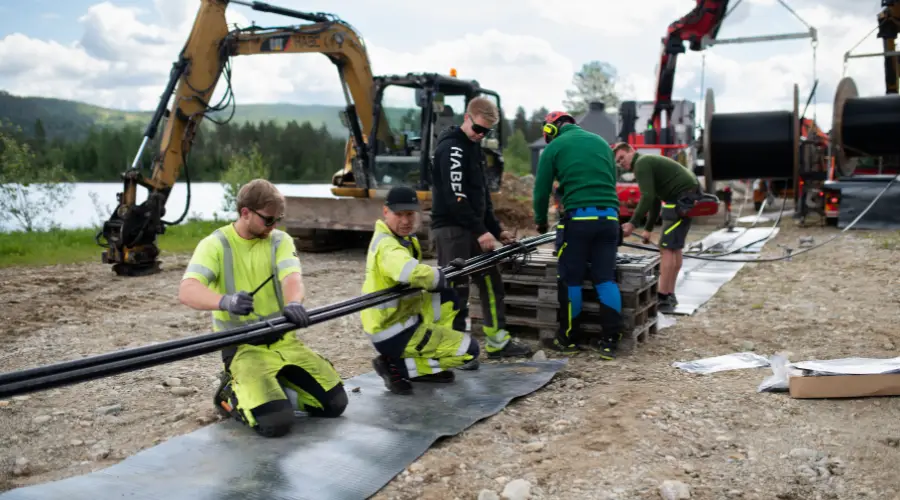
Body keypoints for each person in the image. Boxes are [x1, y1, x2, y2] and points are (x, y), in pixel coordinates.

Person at [178, 179, 347, 438]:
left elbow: (292, 278)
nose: (274, 226)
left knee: (335, 405)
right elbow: (187, 290)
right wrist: (226, 301)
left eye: (278, 219)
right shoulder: (215, 245)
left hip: (284, 343)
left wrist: (293, 303)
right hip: (243, 348)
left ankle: (273, 390)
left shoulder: (280, 240)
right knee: (276, 424)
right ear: (245, 213)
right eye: (268, 220)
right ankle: (231, 394)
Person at [429, 96, 532, 359]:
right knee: (455, 291)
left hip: (474, 229)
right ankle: (452, 349)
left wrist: (497, 230)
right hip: (452, 229)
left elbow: (482, 197)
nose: (480, 135)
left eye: (486, 132)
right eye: (477, 129)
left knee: (491, 283)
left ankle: (498, 342)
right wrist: (481, 231)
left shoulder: (474, 149)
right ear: (467, 117)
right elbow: (456, 198)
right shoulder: (452, 148)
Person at [361, 185, 482, 395]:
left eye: (410, 214)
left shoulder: (405, 239)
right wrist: (438, 275)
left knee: (447, 296)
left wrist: (447, 272)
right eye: (399, 215)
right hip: (391, 329)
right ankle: (396, 367)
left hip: (404, 319)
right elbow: (409, 272)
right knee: (469, 352)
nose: (406, 221)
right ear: (385, 212)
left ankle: (421, 364)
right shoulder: (387, 246)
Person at [533, 111, 625, 359]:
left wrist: (541, 222)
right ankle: (609, 342)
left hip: (579, 220)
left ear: (552, 130)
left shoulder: (554, 148)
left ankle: (568, 339)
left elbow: (541, 191)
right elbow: (609, 181)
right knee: (605, 279)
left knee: (571, 279)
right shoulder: (602, 144)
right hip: (610, 219)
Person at [612, 143, 703, 314]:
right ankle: (670, 294)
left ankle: (663, 297)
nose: (621, 163)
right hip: (688, 196)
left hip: (681, 199)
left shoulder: (641, 163)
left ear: (632, 151)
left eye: (622, 157)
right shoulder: (647, 162)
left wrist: (632, 223)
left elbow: (647, 196)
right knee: (674, 248)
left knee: (667, 249)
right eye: (618, 161)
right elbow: (653, 199)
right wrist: (647, 228)